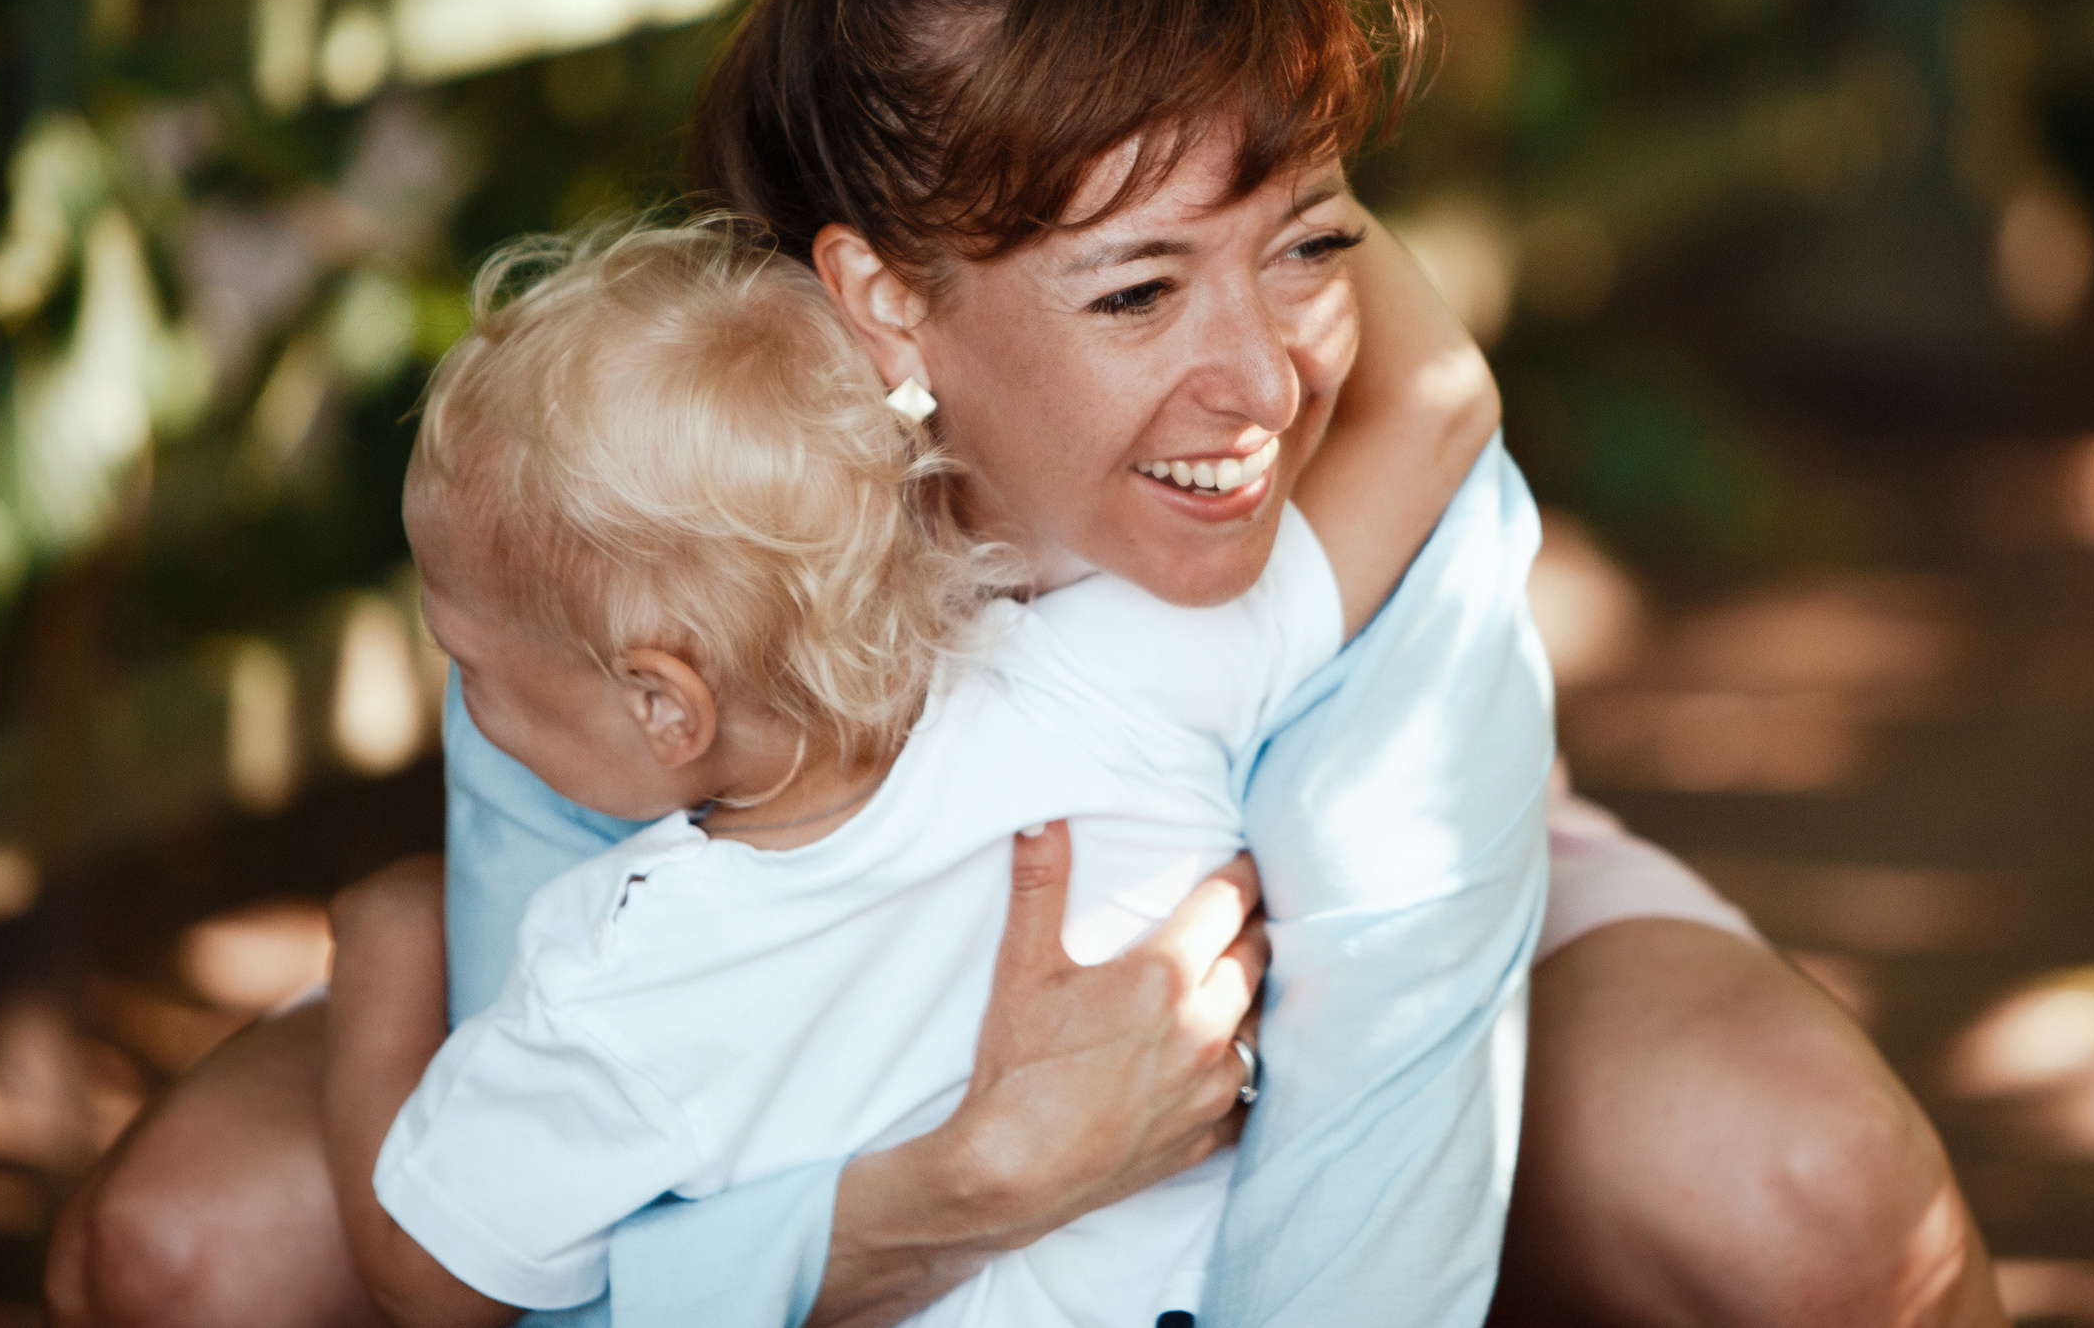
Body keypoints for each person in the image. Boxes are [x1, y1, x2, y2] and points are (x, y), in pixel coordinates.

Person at [49, 0, 2008, 1328]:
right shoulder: (641, 484)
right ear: (882, 303)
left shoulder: (1373, 470)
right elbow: (524, 1232)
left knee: (1806, 1189)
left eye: (1311, 240)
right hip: (836, 1034)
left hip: (1348, 935)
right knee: (181, 1241)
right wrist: (961, 1184)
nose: (1259, 375)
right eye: (1138, 287)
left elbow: (1386, 1025)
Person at [327, 195, 1497, 1327]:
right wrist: (1276, 183)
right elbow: (1435, 407)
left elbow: (423, 1274)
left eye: (471, 665)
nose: (473, 711)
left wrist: (385, 942)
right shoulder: (1109, 669)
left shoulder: (625, 976)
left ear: (665, 704)